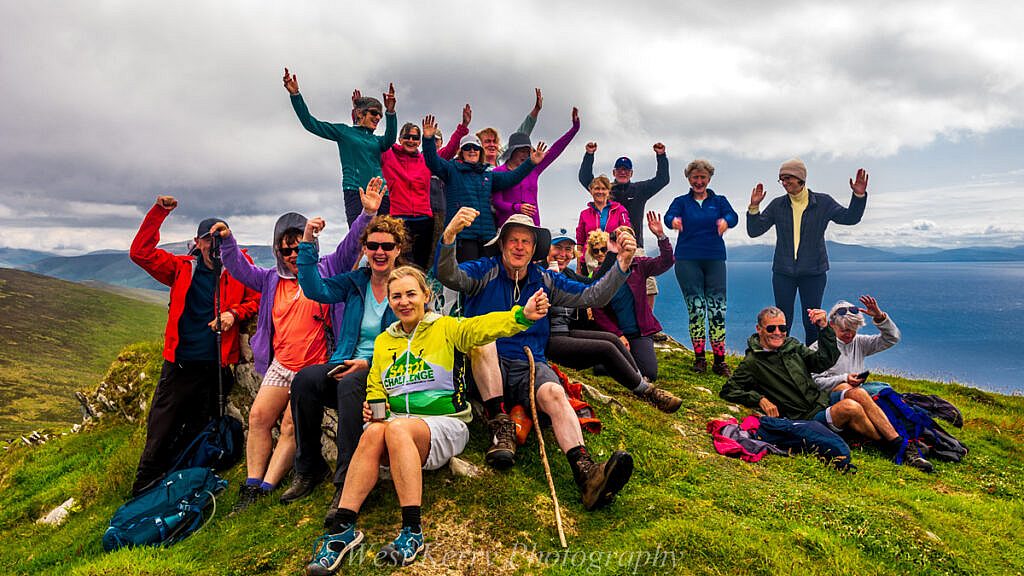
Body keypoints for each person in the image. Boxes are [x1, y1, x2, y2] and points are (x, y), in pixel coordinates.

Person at [304, 267, 549, 572]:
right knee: (372, 433)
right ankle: (342, 529)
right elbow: (376, 385)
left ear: (426, 296)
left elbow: (484, 327)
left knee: (395, 430)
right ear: (390, 302)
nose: (404, 302)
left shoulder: (446, 328)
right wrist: (374, 408)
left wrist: (521, 315)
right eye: (396, 296)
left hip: (444, 423)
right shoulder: (384, 341)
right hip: (399, 425)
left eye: (410, 294)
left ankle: (412, 531)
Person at [436, 209, 638, 510]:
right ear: (502, 245)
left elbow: (592, 296)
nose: (519, 247)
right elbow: (448, 275)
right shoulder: (483, 271)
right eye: (513, 240)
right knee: (483, 340)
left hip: (530, 363)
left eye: (526, 242)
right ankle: (499, 423)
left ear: (534, 249)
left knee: (555, 393)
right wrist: (449, 237)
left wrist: (622, 264)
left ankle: (586, 473)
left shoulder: (546, 279)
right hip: (484, 367)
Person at [212, 184, 381, 512]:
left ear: (309, 244)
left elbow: (350, 248)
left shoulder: (328, 268)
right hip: (281, 364)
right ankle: (251, 482)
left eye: (297, 247)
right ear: (277, 250)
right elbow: (240, 269)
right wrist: (228, 242)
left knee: (291, 424)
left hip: (316, 363)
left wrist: (367, 214)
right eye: (285, 249)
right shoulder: (270, 280)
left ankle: (265, 487)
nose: (292, 255)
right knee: (259, 416)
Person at [128, 196, 260, 496]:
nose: (214, 246)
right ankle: (143, 489)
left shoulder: (241, 266)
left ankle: (187, 484)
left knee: (200, 428)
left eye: (219, 238)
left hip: (216, 366)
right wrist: (159, 212)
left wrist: (234, 314)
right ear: (197, 243)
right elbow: (140, 253)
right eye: (208, 239)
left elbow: (258, 296)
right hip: (181, 363)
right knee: (162, 428)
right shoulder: (181, 268)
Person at [281, 206, 404, 504]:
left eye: (387, 246)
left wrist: (368, 363)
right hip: (345, 362)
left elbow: (412, 341)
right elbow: (314, 289)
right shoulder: (354, 282)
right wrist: (308, 240)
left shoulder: (406, 285)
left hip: (384, 371)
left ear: (397, 249)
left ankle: (347, 481)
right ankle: (309, 468)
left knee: (350, 386)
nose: (379, 252)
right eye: (373, 245)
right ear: (364, 248)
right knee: (305, 381)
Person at [720, 306, 932, 470]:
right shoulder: (752, 362)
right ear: (759, 329)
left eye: (782, 328)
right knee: (850, 407)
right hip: (806, 416)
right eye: (771, 328)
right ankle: (899, 447)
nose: (778, 333)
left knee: (857, 392)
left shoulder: (792, 346)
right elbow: (729, 390)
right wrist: (759, 399)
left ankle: (903, 445)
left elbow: (823, 361)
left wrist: (823, 329)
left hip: (820, 401)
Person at [545, 232, 681, 412]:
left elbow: (594, 287)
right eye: (557, 248)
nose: (562, 254)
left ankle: (641, 383)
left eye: (568, 249)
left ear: (572, 254)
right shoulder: (537, 273)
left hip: (566, 333)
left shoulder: (568, 274)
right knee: (606, 348)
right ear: (545, 249)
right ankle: (646, 392)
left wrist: (612, 254)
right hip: (547, 338)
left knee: (612, 340)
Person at [747, 159, 869, 344]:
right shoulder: (777, 204)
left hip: (814, 272)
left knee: (812, 320)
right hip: (783, 272)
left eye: (788, 178)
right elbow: (754, 231)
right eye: (782, 179)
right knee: (782, 320)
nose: (785, 183)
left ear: (801, 179)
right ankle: (781, 360)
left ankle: (812, 364)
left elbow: (850, 218)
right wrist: (754, 207)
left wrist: (858, 196)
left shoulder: (823, 202)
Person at [421, 115, 546, 262]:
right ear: (461, 152)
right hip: (463, 236)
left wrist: (530, 162)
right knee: (467, 279)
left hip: (487, 236)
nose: (472, 150)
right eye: (467, 147)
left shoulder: (487, 174)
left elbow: (511, 178)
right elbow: (432, 161)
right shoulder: (451, 170)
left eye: (475, 147)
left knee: (487, 279)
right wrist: (428, 140)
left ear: (480, 151)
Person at [283, 67, 398, 225]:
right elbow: (310, 123)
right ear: (359, 113)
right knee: (359, 239)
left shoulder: (377, 141)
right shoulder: (344, 132)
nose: (378, 116)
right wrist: (295, 95)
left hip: (380, 194)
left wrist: (390, 112)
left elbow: (390, 139)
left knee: (385, 238)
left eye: (380, 114)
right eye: (373, 113)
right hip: (355, 191)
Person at [664, 159, 739, 375]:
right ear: (689, 179)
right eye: (695, 177)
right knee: (696, 309)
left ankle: (720, 361)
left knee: (717, 310)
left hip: (714, 259)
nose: (699, 181)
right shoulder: (681, 202)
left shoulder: (719, 200)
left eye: (702, 177)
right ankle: (699, 359)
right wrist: (674, 221)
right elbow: (669, 216)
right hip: (687, 260)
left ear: (709, 178)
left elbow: (733, 216)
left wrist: (725, 220)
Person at [579, 141, 669, 307]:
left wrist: (661, 156)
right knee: (607, 287)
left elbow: (663, 180)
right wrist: (589, 155)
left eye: (626, 170)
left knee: (648, 287)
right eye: (619, 169)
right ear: (614, 172)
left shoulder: (640, 189)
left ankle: (649, 325)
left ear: (631, 173)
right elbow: (585, 178)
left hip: (635, 247)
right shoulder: (606, 190)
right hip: (607, 249)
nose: (622, 172)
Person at [379, 106, 470, 269]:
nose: (411, 141)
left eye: (415, 138)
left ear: (420, 142)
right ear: (399, 139)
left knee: (421, 264)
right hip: (399, 218)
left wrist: (462, 128)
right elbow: (374, 141)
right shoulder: (388, 155)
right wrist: (388, 113)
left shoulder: (425, 160)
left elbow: (448, 152)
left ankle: (420, 294)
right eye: (407, 137)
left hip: (423, 219)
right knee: (400, 263)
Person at [590, 215, 674, 383]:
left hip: (639, 333)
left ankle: (620, 362)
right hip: (615, 333)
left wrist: (661, 236)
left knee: (649, 373)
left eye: (627, 238)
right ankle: (613, 361)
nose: (623, 242)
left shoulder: (639, 265)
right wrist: (617, 335)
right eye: (618, 238)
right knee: (602, 368)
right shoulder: (603, 271)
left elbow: (667, 261)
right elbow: (597, 310)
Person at [491, 106, 580, 227]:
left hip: (532, 227)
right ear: (512, 152)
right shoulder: (498, 172)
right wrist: (517, 207)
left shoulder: (533, 168)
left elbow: (556, 149)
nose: (525, 154)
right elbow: (497, 203)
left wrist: (574, 129)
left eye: (527, 151)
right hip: (508, 227)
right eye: (521, 150)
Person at [810, 296, 901, 394]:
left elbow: (891, 338)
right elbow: (815, 382)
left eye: (854, 330)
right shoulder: (817, 348)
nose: (849, 335)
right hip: (830, 396)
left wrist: (880, 317)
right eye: (845, 330)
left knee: (885, 389)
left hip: (858, 392)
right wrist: (844, 379)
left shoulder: (860, 342)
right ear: (832, 325)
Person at [575, 175, 630, 273]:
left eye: (604, 189)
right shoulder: (584, 214)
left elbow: (627, 232)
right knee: (590, 287)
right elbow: (580, 243)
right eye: (597, 188)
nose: (600, 192)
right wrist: (578, 267)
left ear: (609, 191)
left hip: (613, 259)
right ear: (591, 190)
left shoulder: (620, 210)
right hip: (588, 263)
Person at [477, 88, 544, 167]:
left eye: (494, 142)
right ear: (479, 145)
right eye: (487, 141)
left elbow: (521, 134)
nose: (492, 145)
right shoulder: (475, 168)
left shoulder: (502, 159)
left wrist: (536, 109)